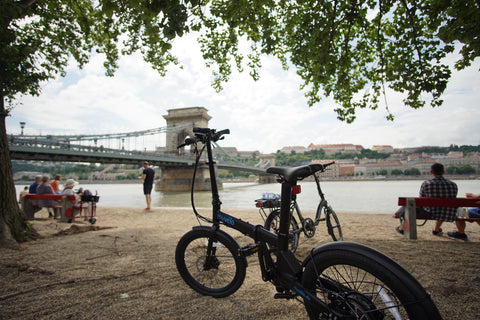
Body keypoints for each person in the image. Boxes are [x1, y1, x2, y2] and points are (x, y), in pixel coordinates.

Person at [395, 163, 458, 236]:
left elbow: (421, 200)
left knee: (409, 208)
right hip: (448, 212)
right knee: (441, 207)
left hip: (430, 213)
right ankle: (436, 229)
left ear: (431, 172)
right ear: (443, 172)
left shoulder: (426, 184)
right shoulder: (453, 184)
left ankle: (402, 228)